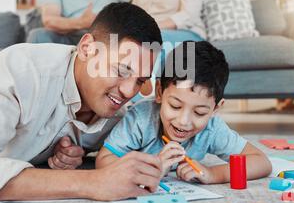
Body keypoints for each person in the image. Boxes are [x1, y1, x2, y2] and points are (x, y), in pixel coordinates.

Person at [0, 3, 164, 202]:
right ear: (87, 48)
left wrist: (48, 152)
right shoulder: (21, 69)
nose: (129, 90)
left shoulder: (120, 116)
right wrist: (93, 182)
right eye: (121, 70)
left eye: (140, 80)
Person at [96, 41, 272, 183]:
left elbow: (261, 162)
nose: (184, 122)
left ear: (216, 108)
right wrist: (152, 168)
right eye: (175, 106)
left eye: (200, 112)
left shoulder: (212, 129)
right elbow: (103, 160)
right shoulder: (141, 119)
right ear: (159, 92)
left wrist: (213, 174)